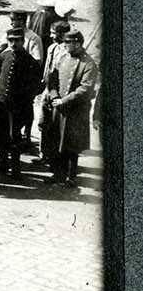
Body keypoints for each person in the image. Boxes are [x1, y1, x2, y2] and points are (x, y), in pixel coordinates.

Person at [41, 29, 96, 187]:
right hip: (59, 107)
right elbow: (52, 79)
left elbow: (85, 89)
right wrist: (54, 96)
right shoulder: (63, 58)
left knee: (72, 145)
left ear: (77, 44)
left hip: (75, 110)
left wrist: (64, 100)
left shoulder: (88, 64)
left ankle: (70, 177)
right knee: (57, 140)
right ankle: (58, 174)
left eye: (68, 43)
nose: (64, 45)